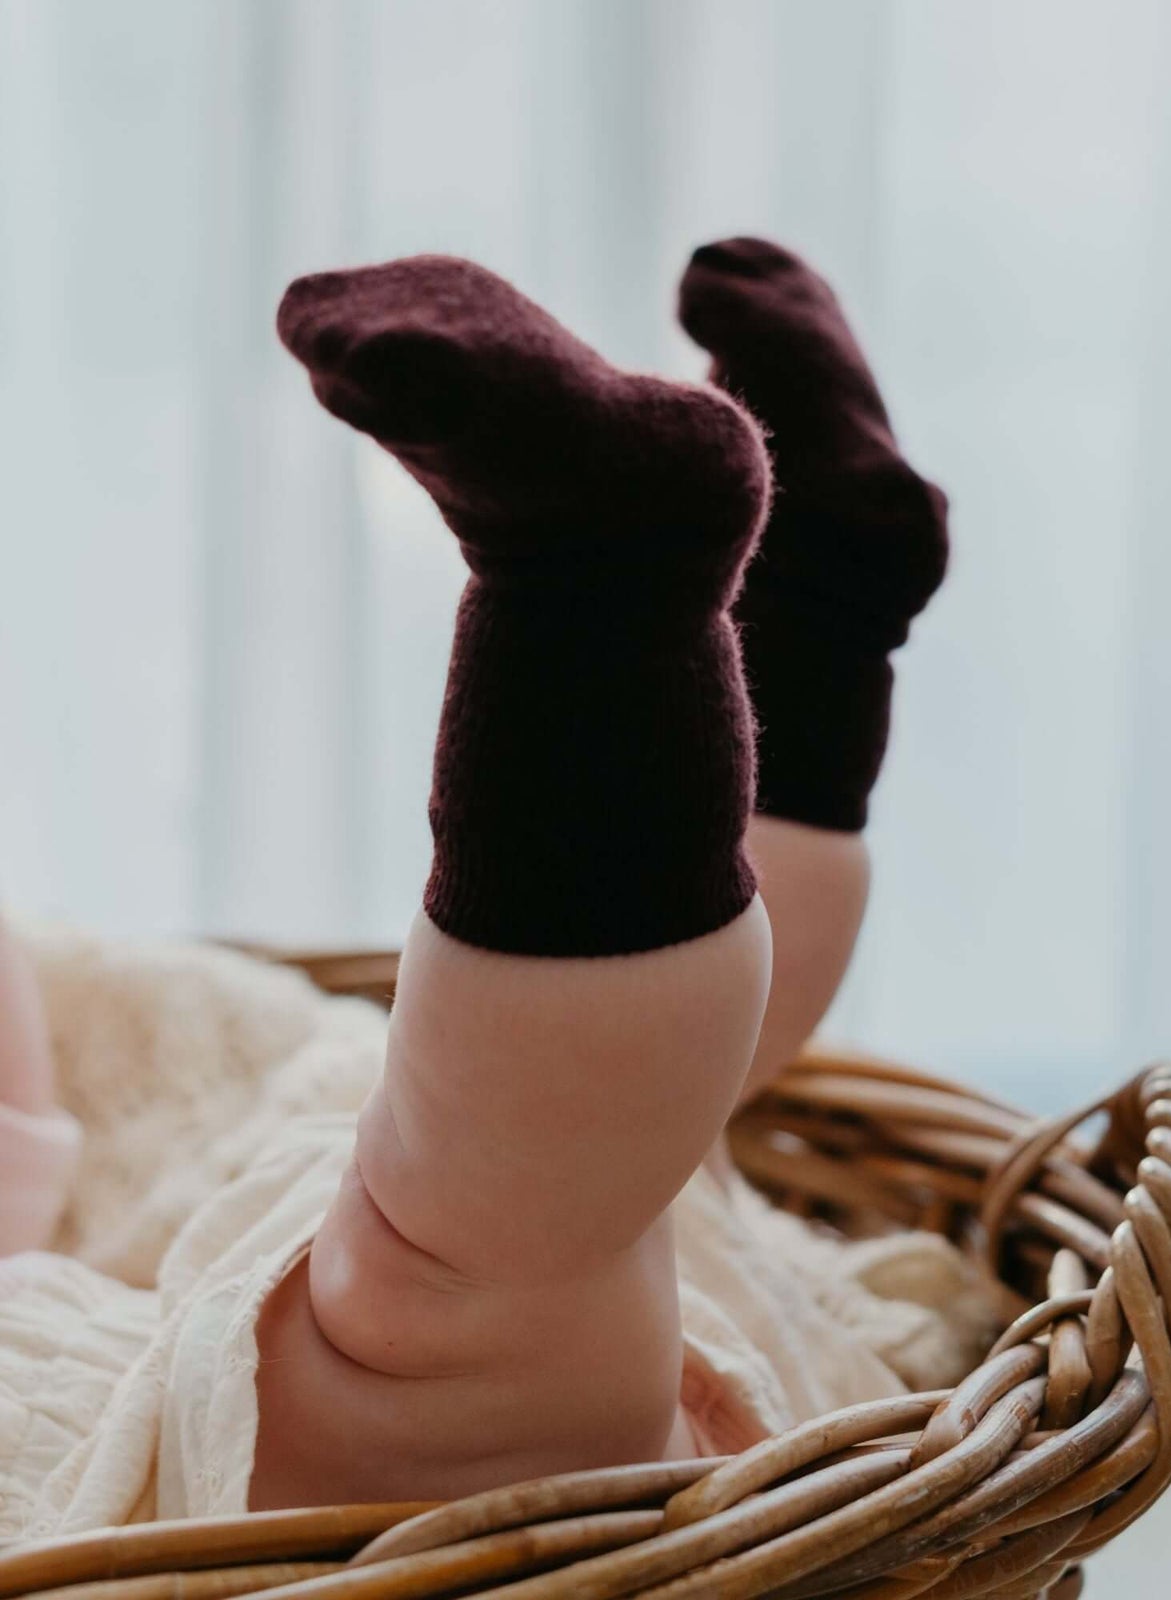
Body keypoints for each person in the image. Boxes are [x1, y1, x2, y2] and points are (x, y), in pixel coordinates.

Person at [0, 240, 950, 1512]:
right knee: (611, 1127)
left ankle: (613, 592)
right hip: (579, 1173)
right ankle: (792, 604)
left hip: (459, 1227)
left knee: (436, 1309)